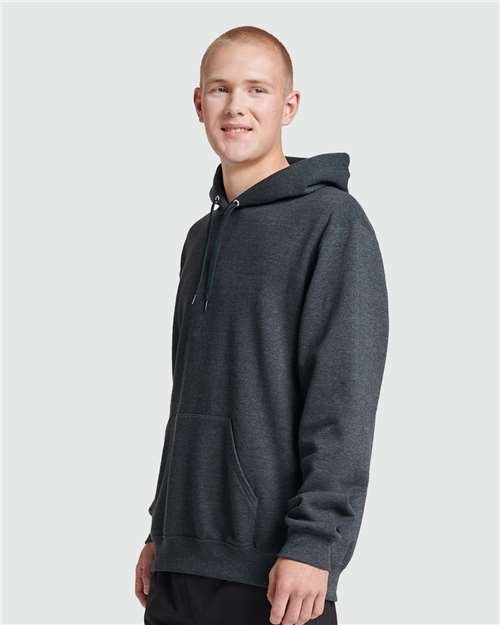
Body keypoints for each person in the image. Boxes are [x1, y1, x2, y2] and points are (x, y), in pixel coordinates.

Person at [135, 25, 389, 625]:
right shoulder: (201, 238)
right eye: (220, 89)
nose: (236, 106)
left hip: (276, 571)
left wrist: (315, 544)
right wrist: (160, 528)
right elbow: (188, 396)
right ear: (198, 103)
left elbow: (343, 398)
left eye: (257, 89)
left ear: (289, 106)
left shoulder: (332, 223)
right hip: (181, 562)